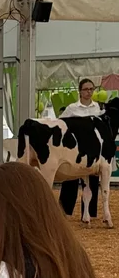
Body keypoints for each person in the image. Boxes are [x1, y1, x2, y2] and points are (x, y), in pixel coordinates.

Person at [58, 79, 102, 220]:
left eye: (91, 89)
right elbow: (60, 124)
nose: (89, 92)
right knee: (71, 178)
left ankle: (90, 213)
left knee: (92, 180)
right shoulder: (72, 108)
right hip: (75, 149)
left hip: (92, 149)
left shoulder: (98, 109)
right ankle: (64, 211)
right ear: (80, 91)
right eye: (86, 89)